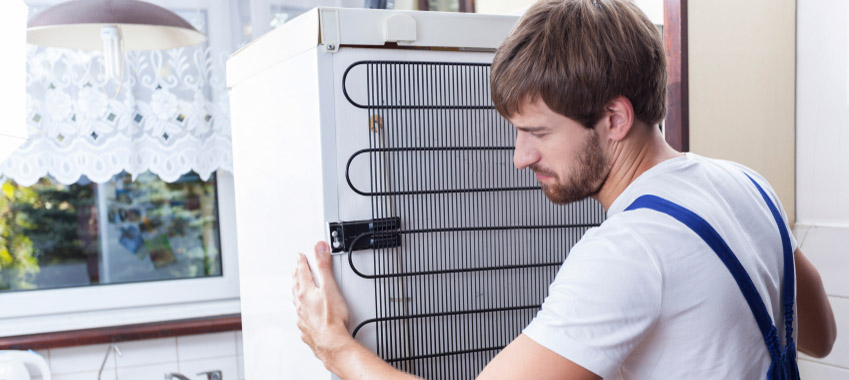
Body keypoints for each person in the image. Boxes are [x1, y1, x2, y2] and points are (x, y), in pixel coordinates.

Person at [291, 0, 837, 378]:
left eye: (538, 133)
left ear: (614, 118)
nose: (520, 157)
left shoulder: (629, 250)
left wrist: (335, 348)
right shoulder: (746, 184)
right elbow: (818, 337)